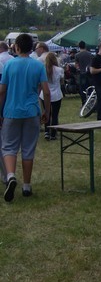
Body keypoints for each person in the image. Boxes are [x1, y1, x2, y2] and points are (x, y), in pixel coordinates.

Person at [0, 32, 50, 200]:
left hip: (11, 112)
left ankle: (11, 176)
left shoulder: (9, 65)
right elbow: (46, 92)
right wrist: (47, 112)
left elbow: (2, 91)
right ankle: (27, 185)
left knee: (8, 147)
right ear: (32, 48)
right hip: (31, 112)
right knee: (28, 149)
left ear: (17, 47)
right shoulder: (38, 66)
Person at [42, 51, 64, 139]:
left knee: (47, 112)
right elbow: (62, 82)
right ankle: (54, 133)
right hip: (57, 94)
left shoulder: (43, 69)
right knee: (55, 114)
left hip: (44, 94)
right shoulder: (59, 70)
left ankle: (47, 131)